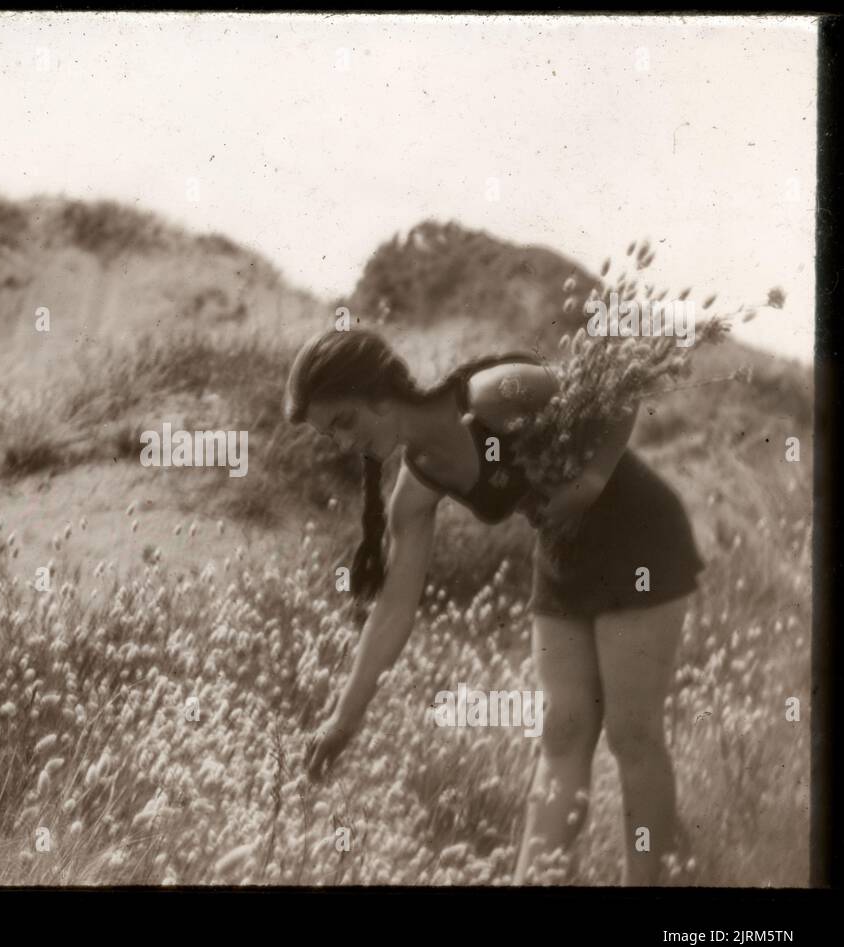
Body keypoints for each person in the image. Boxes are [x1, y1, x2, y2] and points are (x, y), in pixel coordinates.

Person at [286, 328, 704, 885]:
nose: (343, 442)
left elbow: (617, 389)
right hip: (562, 555)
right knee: (563, 728)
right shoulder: (416, 486)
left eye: (342, 422)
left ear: (378, 393)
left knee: (633, 733)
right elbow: (393, 609)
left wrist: (591, 479)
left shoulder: (486, 394)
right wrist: (343, 721)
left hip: (640, 533)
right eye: (329, 434)